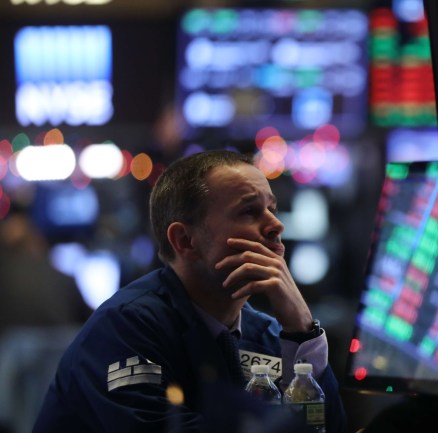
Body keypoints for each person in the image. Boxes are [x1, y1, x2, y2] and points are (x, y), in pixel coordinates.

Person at [31, 150, 347, 433]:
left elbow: (326, 427)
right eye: (248, 212)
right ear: (184, 240)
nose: (276, 224)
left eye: (272, 208)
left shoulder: (267, 333)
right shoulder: (125, 329)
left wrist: (302, 329)